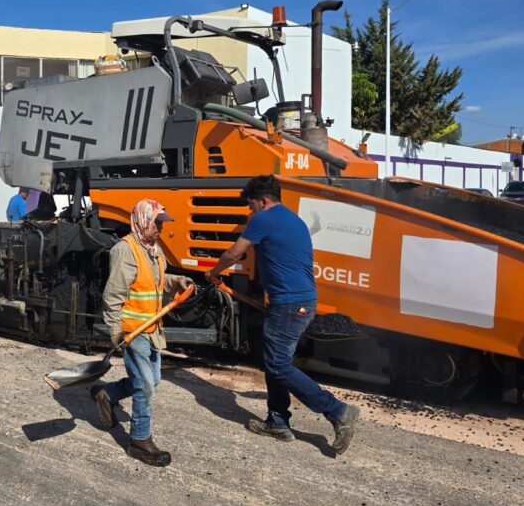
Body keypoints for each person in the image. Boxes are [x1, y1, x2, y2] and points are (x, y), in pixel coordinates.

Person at [207, 175, 359, 454]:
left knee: (277, 364)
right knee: (275, 361)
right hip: (299, 300)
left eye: (252, 205)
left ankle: (338, 411)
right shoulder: (295, 220)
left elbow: (234, 254)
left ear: (264, 201)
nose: (251, 212)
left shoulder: (263, 219)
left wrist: (214, 272)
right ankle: (278, 422)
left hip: (290, 303)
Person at [91, 199, 193, 467]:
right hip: (133, 329)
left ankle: (107, 394)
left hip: (151, 327)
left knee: (153, 380)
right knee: (145, 384)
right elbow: (113, 294)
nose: (161, 228)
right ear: (144, 220)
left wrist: (176, 281)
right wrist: (115, 329)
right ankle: (139, 439)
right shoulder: (125, 250)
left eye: (162, 223)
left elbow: (156, 281)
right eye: (158, 223)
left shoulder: (153, 249)